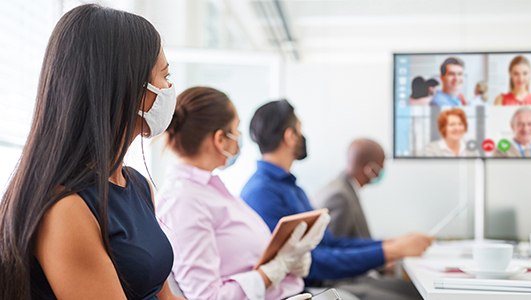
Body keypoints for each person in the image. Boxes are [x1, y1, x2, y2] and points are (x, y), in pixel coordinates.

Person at [0, 4, 182, 299]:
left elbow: (164, 295)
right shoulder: (66, 208)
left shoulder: (137, 185)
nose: (170, 87)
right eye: (165, 75)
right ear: (127, 85)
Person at [241, 100, 433, 300]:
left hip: (313, 282)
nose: (303, 137)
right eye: (299, 130)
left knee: (411, 291)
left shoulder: (290, 187)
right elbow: (311, 262)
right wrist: (390, 250)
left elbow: (330, 243)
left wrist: (390, 245)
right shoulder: (262, 193)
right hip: (304, 289)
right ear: (290, 136)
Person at [157, 87, 329, 300]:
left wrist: (289, 264)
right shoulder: (183, 201)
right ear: (220, 139)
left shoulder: (210, 188)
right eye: (236, 129)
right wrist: (273, 271)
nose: (239, 138)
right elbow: (207, 297)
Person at [314, 139, 384, 239]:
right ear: (371, 169)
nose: (383, 169)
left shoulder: (345, 188)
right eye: (381, 165)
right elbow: (335, 248)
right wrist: (386, 249)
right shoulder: (340, 198)